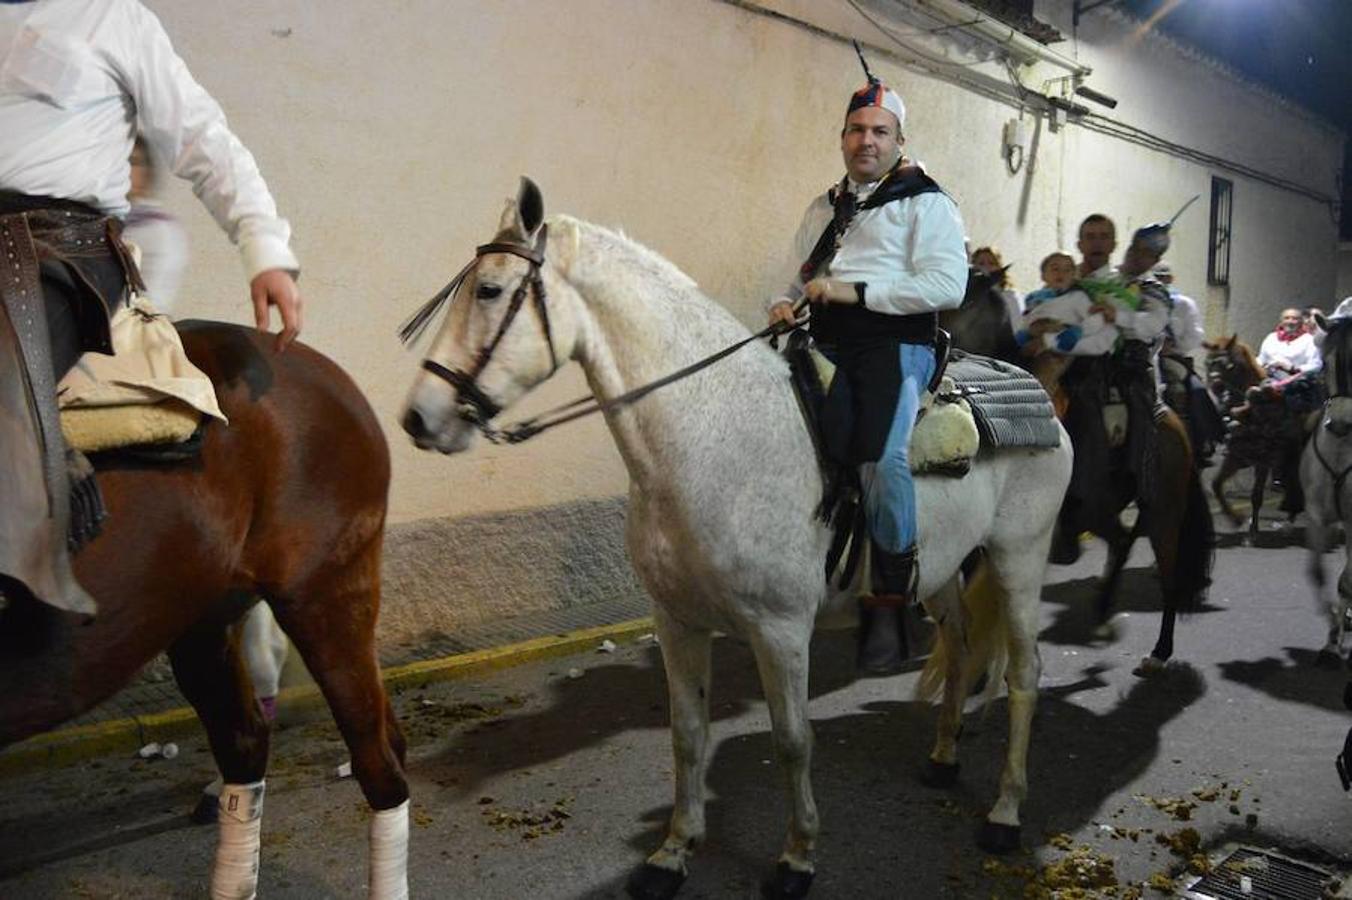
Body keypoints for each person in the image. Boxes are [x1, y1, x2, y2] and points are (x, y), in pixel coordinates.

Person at [0, 0, 302, 615]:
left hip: (60, 252)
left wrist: (263, 247)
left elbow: (200, 135)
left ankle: (33, 569)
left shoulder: (111, 16)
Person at [767, 67, 967, 674]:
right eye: (856, 130)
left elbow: (946, 284)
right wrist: (784, 301)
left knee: (883, 460)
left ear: (899, 141)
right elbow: (801, 278)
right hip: (823, 343)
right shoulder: (823, 207)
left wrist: (853, 291)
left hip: (895, 346)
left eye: (880, 131)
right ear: (843, 138)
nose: (866, 141)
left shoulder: (927, 203)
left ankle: (892, 606)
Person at [123, 136, 188, 314]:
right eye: (118, 161)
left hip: (136, 328)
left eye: (133, 162)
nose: (124, 170)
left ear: (147, 172)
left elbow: (151, 300)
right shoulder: (107, 221)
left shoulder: (158, 228)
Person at [970, 245, 1023, 339]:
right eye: (981, 264)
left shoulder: (1010, 295)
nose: (986, 268)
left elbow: (1018, 328)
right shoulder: (969, 296)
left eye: (992, 263)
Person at [1257, 308, 1321, 378]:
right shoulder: (1271, 337)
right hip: (1268, 377)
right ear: (1281, 321)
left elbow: (1316, 364)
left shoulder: (1309, 340)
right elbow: (1261, 359)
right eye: (1286, 318)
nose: (1290, 322)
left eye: (1294, 319)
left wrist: (1292, 368)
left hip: (1293, 380)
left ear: (1301, 322)